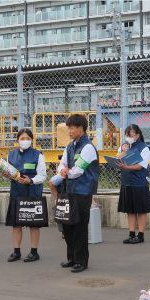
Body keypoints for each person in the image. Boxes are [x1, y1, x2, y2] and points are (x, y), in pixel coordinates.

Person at [58, 114, 99, 273]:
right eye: (68, 128)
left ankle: (81, 261)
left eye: (71, 128)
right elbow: (62, 162)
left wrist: (66, 173)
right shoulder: (70, 146)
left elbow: (78, 170)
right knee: (68, 226)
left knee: (80, 227)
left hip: (83, 192)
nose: (68, 131)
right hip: (70, 190)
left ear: (80, 128)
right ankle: (71, 258)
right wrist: (62, 170)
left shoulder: (88, 147)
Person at [2, 128, 47, 262]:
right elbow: (7, 177)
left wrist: (30, 180)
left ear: (32, 140)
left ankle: (34, 252)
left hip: (32, 192)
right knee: (16, 224)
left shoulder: (38, 155)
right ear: (17, 140)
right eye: (22, 138)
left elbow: (42, 175)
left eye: (27, 138)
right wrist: (5, 175)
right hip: (16, 192)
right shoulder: (11, 155)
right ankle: (16, 252)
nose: (25, 141)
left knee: (33, 223)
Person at [115, 124, 150, 244]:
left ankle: (140, 235)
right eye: (126, 135)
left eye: (131, 135)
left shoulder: (144, 148)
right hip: (127, 181)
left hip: (139, 182)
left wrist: (126, 166)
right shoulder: (124, 147)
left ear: (137, 135)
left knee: (141, 210)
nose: (128, 137)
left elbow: (141, 165)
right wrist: (124, 151)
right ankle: (131, 234)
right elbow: (117, 159)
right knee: (130, 210)